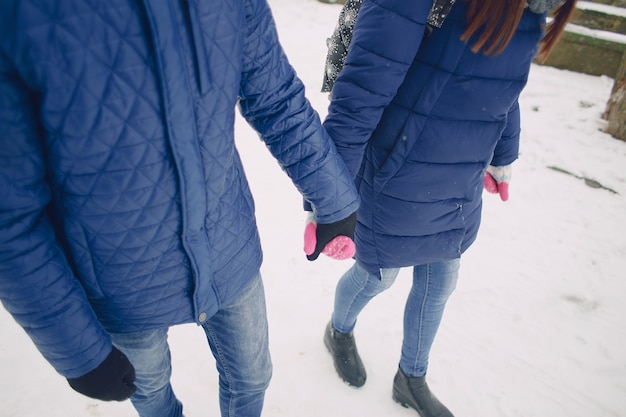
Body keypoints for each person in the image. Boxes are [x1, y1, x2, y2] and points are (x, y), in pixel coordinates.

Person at [0, 1, 360, 416]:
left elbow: (275, 98)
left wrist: (332, 199)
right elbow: (11, 220)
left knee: (253, 377)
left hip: (227, 245)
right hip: (118, 279)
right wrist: (76, 349)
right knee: (150, 395)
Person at [315, 0, 578, 416]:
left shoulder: (533, 6)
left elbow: (504, 85)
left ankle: (411, 377)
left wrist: (503, 155)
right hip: (396, 170)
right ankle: (339, 331)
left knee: (440, 282)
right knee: (378, 274)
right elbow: (362, 91)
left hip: (460, 174)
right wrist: (329, 195)